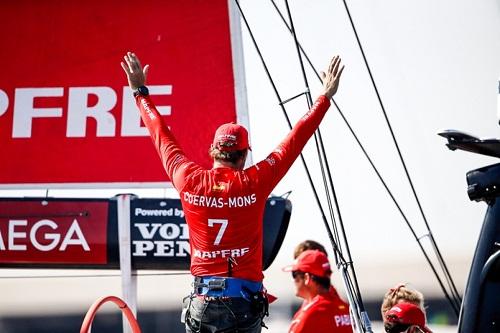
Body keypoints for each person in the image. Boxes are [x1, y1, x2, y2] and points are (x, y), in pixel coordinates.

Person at [121, 52, 344, 333]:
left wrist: (140, 93)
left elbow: (159, 133)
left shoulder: (188, 178)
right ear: (243, 156)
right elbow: (293, 142)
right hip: (243, 303)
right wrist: (323, 99)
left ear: (215, 150)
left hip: (203, 301)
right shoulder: (254, 182)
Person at [283, 250, 352, 333]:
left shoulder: (309, 315)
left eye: (294, 274)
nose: (293, 280)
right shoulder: (347, 309)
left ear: (307, 278)